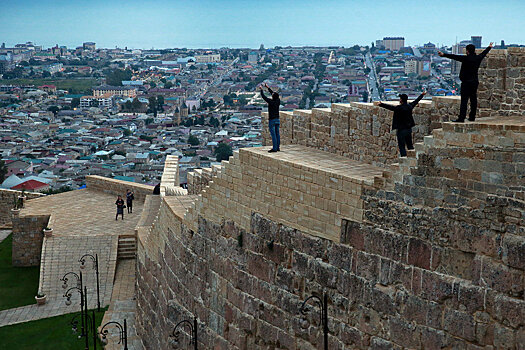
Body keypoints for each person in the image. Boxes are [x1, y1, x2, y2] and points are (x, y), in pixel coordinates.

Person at [438, 42, 493, 122]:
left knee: (464, 101)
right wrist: (489, 47)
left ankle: (461, 118)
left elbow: (454, 57)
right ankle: (472, 117)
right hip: (474, 82)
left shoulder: (466, 58)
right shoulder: (477, 58)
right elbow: (484, 53)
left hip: (466, 83)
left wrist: (444, 54)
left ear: (467, 51)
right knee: (473, 100)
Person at [374, 91, 426, 157]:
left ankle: (404, 159)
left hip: (401, 130)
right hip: (408, 129)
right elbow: (416, 101)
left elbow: (390, 107)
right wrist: (422, 95)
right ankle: (413, 158)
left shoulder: (399, 108)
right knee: (410, 145)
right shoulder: (409, 106)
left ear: (401, 100)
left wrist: (381, 104)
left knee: (402, 146)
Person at [259, 83, 280, 153]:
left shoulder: (271, 102)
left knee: (273, 135)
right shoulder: (278, 101)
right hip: (277, 119)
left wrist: (261, 89)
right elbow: (273, 93)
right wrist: (268, 87)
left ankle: (274, 148)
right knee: (277, 134)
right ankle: (278, 147)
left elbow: (263, 97)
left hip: (272, 120)